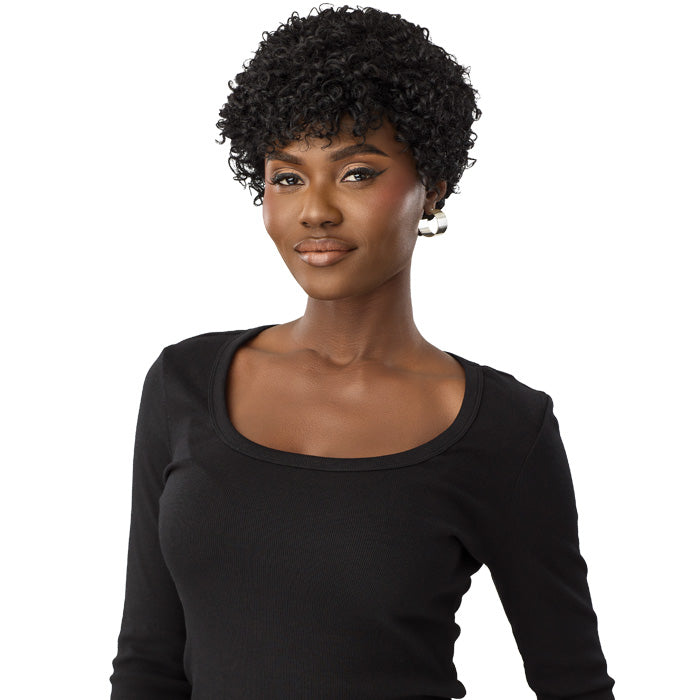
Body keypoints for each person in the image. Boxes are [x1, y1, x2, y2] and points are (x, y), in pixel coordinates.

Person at [109, 6, 616, 699]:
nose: (315, 209)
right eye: (288, 177)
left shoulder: (503, 427)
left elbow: (573, 683)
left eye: (355, 173)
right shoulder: (184, 384)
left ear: (432, 186)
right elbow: (147, 663)